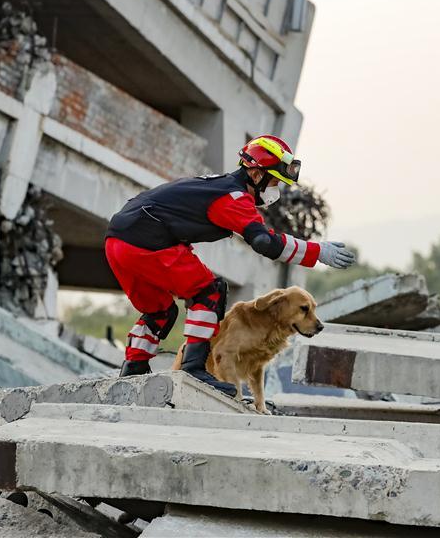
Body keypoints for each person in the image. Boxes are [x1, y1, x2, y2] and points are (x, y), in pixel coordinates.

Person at [104, 135, 355, 396]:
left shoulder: (215, 186)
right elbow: (264, 242)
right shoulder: (232, 196)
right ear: (256, 175)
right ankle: (193, 368)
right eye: (274, 180)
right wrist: (316, 252)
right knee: (209, 291)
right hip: (149, 242)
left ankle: (133, 367)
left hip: (118, 243)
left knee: (160, 310)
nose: (275, 189)